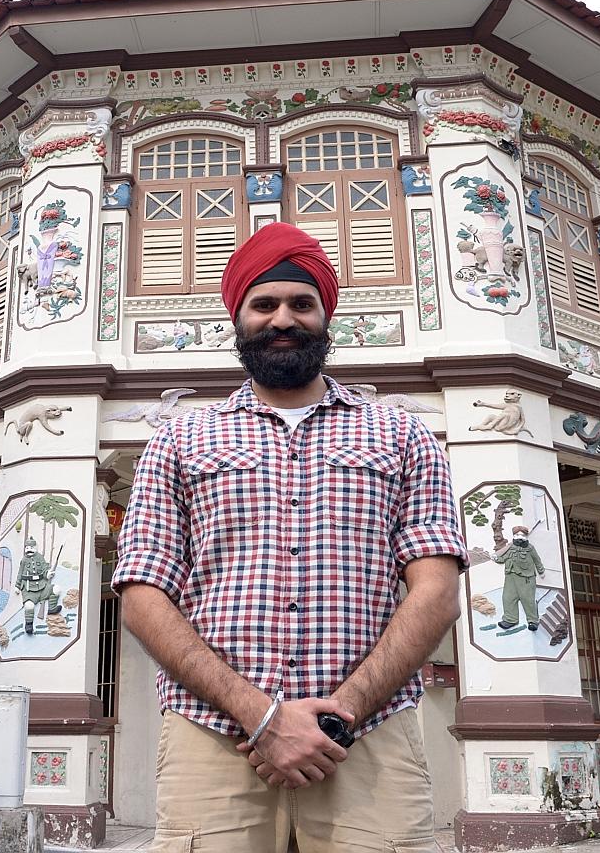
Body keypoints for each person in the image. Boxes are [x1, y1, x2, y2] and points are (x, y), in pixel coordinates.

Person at [112, 222, 467, 852]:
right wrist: (262, 716)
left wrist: (341, 712)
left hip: (372, 736)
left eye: (302, 304)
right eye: (265, 304)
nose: (283, 318)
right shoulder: (180, 440)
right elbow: (143, 597)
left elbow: (435, 590)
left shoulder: (402, 436)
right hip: (214, 738)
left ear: (326, 317)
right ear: (239, 318)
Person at [494, 523, 545, 632]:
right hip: (511, 576)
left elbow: (537, 560)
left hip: (526, 577)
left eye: (522, 535)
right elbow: (503, 558)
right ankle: (510, 619)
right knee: (508, 598)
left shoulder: (530, 549)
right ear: (514, 536)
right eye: (517, 535)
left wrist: (541, 571)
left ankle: (532, 621)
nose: (519, 538)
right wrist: (496, 558)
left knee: (528, 599)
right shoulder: (510, 547)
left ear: (526, 537)